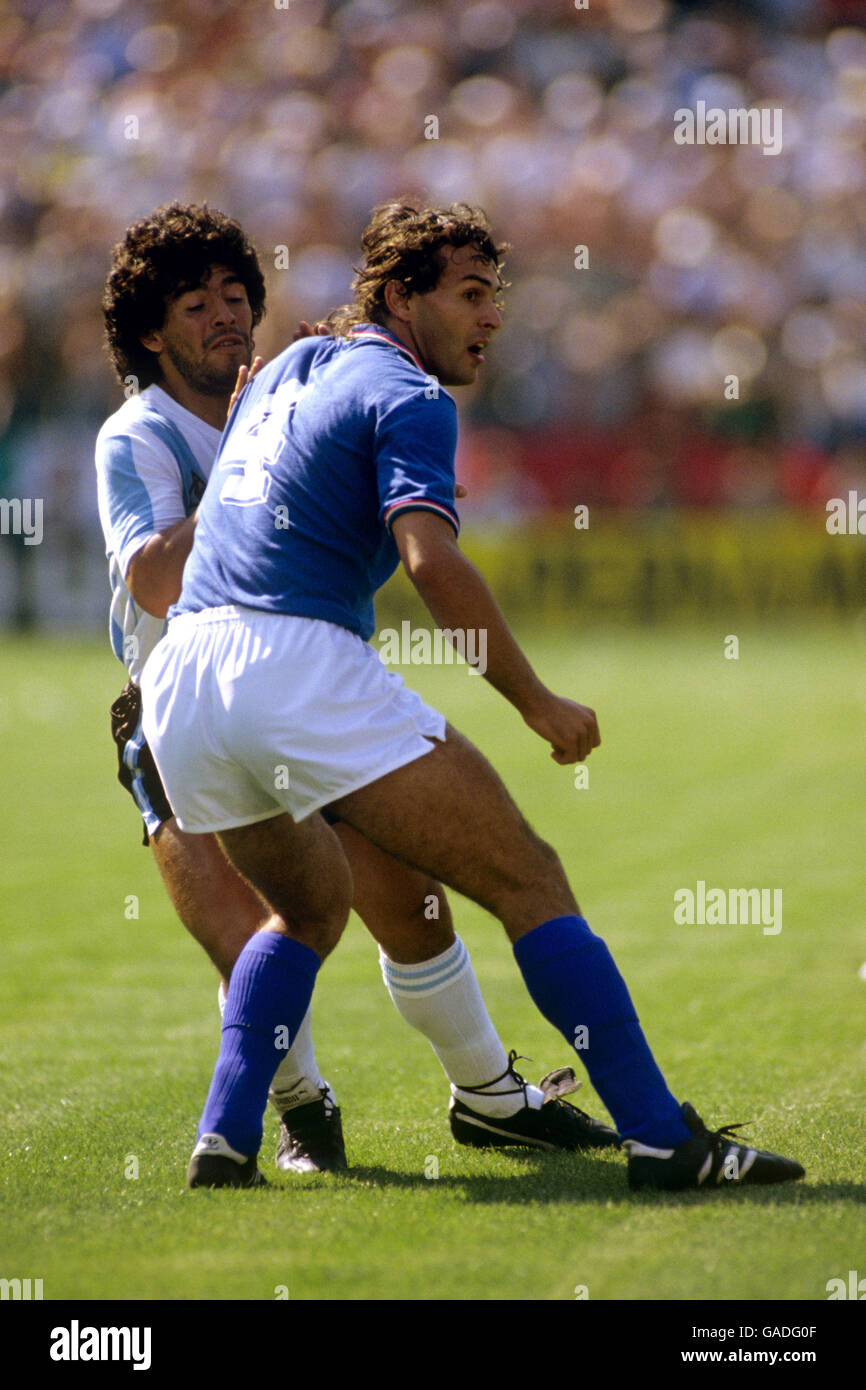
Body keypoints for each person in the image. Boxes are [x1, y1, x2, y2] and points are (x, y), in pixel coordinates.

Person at [141, 199, 804, 1192]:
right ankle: (663, 1139)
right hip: (291, 661)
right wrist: (534, 701)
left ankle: (225, 1141)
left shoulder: (286, 366)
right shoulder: (410, 393)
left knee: (310, 910)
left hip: (183, 678)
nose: (491, 317)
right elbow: (428, 560)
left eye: (496, 295)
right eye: (470, 294)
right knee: (528, 878)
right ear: (403, 296)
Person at [95, 202, 617, 1178]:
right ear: (150, 333)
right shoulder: (140, 435)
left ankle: (486, 1093)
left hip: (293, 688)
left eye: (236, 296)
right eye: (194, 302)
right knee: (250, 931)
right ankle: (296, 1112)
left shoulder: (292, 391)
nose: (224, 316)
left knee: (407, 899)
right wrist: (253, 465)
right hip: (178, 710)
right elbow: (155, 581)